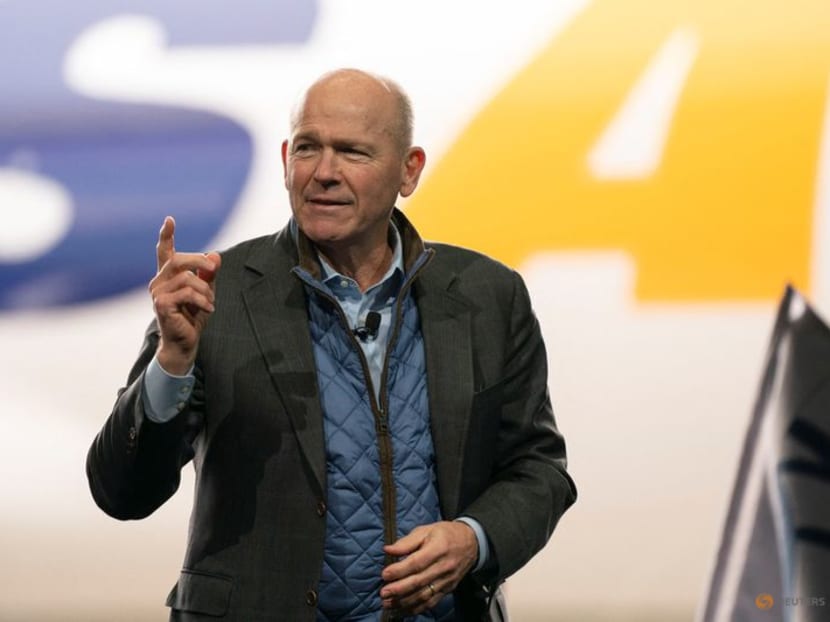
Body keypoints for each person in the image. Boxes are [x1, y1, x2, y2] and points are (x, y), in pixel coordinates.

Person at [87, 68, 576, 622]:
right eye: (307, 148)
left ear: (408, 171)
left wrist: (474, 539)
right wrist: (171, 362)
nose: (323, 172)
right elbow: (121, 492)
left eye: (352, 152)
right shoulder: (213, 294)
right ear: (284, 160)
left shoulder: (489, 296)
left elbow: (539, 470)